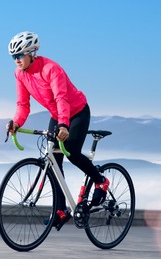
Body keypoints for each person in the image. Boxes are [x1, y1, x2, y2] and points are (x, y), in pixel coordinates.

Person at [6, 31, 110, 230]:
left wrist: (64, 124)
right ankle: (61, 211)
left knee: (70, 152)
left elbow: (62, 98)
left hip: (77, 112)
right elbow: (23, 104)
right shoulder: (19, 74)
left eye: (19, 55)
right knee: (54, 161)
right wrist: (17, 123)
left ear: (31, 53)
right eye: (13, 57)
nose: (16, 60)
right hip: (57, 114)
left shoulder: (52, 69)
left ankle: (101, 181)